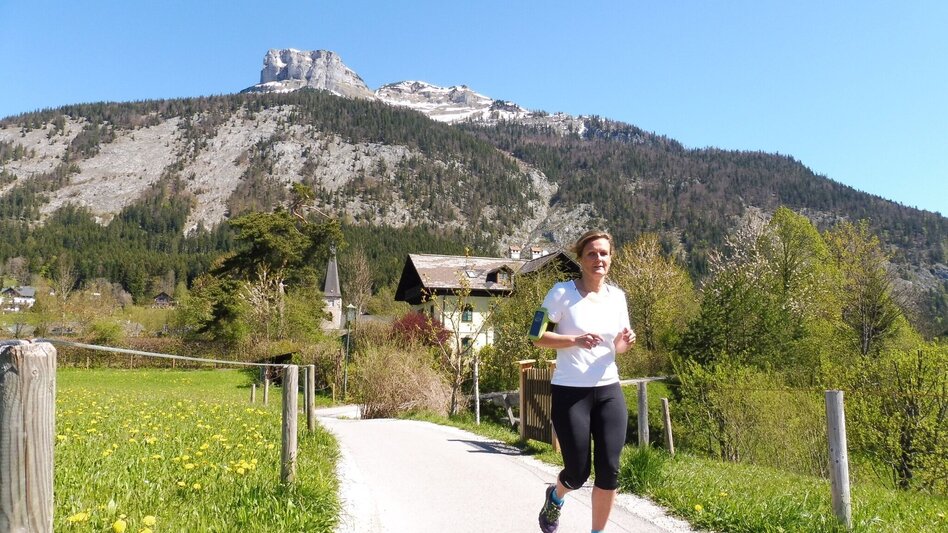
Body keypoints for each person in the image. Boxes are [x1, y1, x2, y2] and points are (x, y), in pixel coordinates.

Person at [529, 229, 635, 533]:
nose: (598, 258)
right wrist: (574, 339)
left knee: (609, 472)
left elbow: (617, 348)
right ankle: (555, 496)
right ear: (581, 259)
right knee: (577, 473)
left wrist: (626, 341)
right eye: (592, 253)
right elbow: (535, 336)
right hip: (570, 392)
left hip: (608, 390)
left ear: (611, 258)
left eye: (603, 253)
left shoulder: (618, 298)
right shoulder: (561, 293)